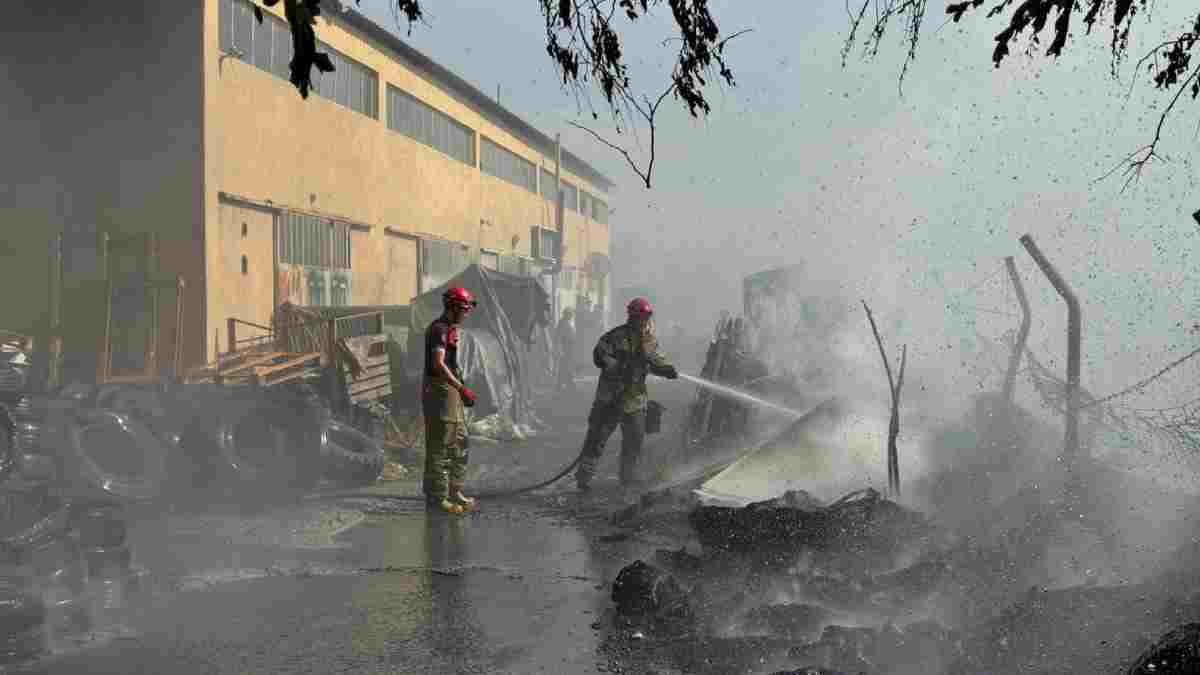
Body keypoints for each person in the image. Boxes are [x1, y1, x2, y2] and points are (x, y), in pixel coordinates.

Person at [575, 297, 679, 491]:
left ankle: (627, 478)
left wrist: (667, 370)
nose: (645, 321)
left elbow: (656, 359)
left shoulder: (649, 340)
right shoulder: (615, 336)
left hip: (634, 400)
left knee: (635, 440)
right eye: (642, 316)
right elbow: (599, 355)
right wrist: (618, 366)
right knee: (597, 439)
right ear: (632, 316)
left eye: (647, 317)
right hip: (610, 399)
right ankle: (584, 479)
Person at [422, 286, 479, 514]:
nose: (466, 314)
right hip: (439, 391)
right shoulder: (439, 330)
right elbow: (438, 363)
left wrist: (460, 389)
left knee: (460, 442)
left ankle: (454, 491)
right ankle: (437, 498)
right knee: (440, 446)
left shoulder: (451, 329)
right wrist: (460, 388)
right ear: (453, 308)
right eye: (464, 310)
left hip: (451, 391)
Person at [555, 307, 577, 393]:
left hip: (569, 346)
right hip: (565, 346)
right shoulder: (562, 323)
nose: (571, 316)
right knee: (564, 365)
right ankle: (563, 384)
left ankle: (567, 383)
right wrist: (561, 349)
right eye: (570, 314)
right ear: (566, 314)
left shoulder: (567, 322)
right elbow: (559, 336)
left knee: (567, 365)